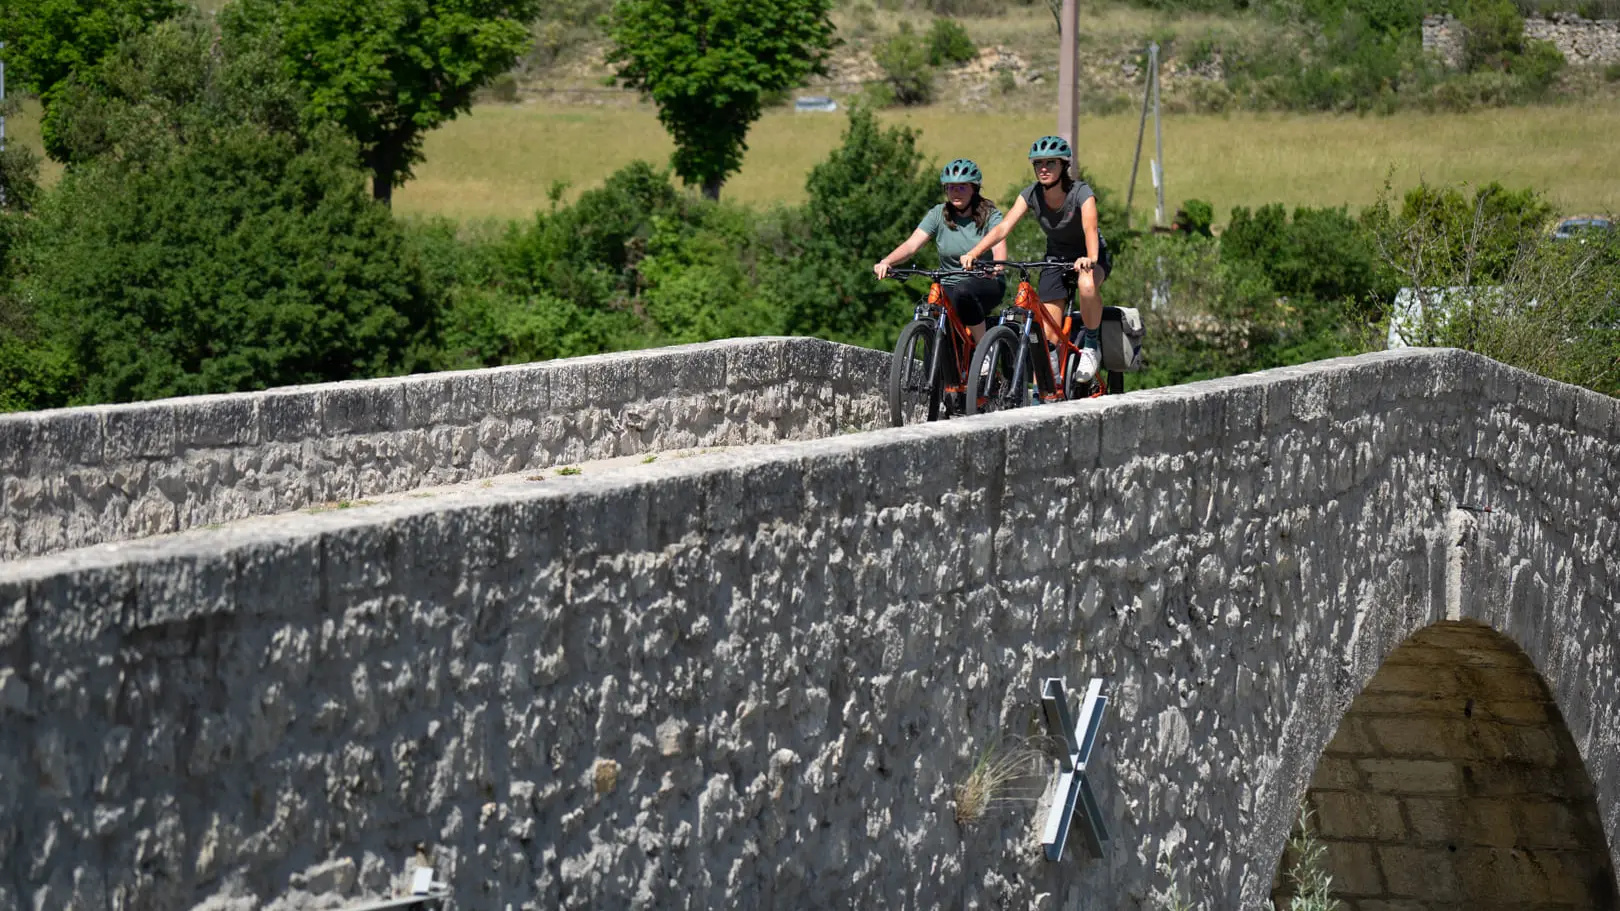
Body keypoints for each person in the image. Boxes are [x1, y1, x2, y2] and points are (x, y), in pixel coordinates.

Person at [960, 135, 1110, 383]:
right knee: (1049, 334)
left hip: (1090, 256)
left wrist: (1090, 258)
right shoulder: (1031, 194)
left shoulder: (1081, 192)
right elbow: (1002, 227)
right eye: (1038, 163)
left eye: (1051, 163)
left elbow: (1089, 228)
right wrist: (975, 253)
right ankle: (1051, 381)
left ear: (1064, 166)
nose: (1043, 168)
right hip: (1056, 258)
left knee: (1086, 284)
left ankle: (1092, 346)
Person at [873, 158, 1010, 348]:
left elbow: (999, 245)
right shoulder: (938, 214)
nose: (956, 192)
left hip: (986, 281)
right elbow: (912, 245)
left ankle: (982, 350)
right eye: (951, 187)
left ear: (974, 188)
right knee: (935, 310)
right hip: (949, 283)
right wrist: (887, 261)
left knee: (964, 291)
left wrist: (997, 268)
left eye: (962, 187)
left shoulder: (990, 215)